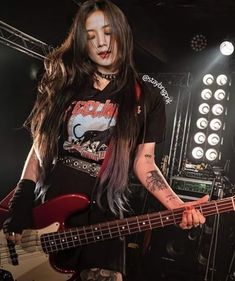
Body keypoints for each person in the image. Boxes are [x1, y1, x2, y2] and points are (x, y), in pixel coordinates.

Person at [3, 0, 208, 280]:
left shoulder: (146, 97)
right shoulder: (66, 86)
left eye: (108, 32)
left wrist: (176, 205)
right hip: (48, 214)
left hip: (104, 221)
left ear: (122, 33)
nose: (101, 42)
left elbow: (144, 162)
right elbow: (39, 148)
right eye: (90, 36)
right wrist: (21, 201)